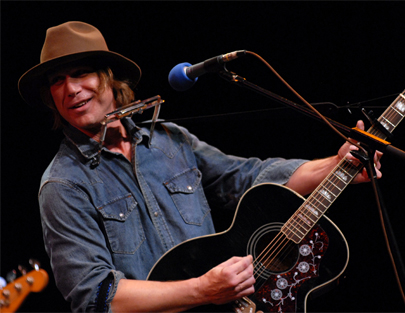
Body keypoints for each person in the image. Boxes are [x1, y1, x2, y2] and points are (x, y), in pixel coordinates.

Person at [18, 21, 382, 312]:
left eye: (81, 73)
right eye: (57, 81)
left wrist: (337, 165)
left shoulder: (170, 139)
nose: (70, 89)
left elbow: (250, 178)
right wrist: (203, 290)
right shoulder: (63, 184)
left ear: (110, 78)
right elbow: (95, 296)